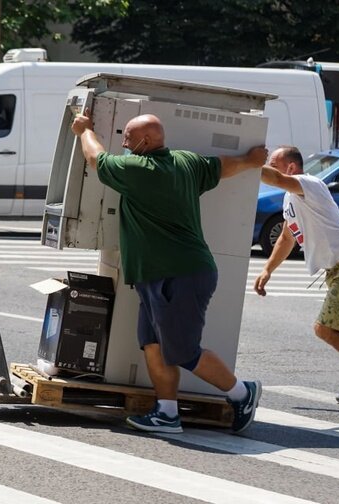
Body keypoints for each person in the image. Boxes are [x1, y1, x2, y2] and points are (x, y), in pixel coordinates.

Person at [71, 109, 266, 434]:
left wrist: (83, 130)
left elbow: (96, 160)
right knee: (152, 344)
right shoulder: (186, 162)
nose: (124, 142)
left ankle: (242, 393)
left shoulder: (140, 169)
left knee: (184, 352)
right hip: (158, 275)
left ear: (146, 142)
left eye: (129, 137)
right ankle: (166, 412)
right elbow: (221, 167)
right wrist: (250, 160)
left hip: (180, 273)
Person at [255, 146, 339, 406]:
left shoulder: (309, 183)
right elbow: (286, 237)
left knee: (324, 329)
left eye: (272, 163)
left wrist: (248, 163)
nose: (269, 167)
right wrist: (268, 269)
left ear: (291, 167)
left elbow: (276, 179)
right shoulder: (290, 198)